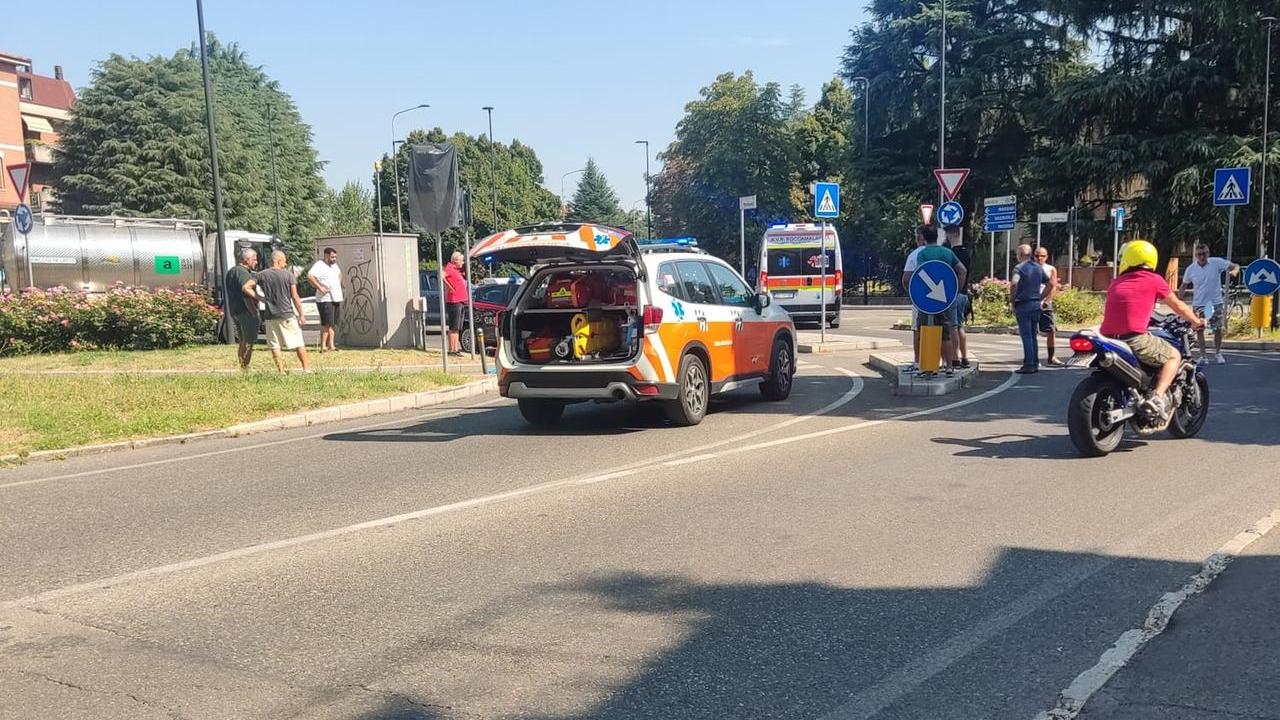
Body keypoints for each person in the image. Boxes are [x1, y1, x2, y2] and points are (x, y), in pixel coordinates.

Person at [1100, 240, 1203, 419]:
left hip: (1109, 339)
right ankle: (1158, 396)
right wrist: (1196, 321)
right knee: (1173, 356)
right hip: (1134, 339)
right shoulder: (1153, 279)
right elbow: (1177, 305)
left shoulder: (1116, 282)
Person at [902, 225, 967, 374]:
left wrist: (915, 295)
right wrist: (955, 291)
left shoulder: (922, 254)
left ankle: (929, 367)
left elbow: (920, 275)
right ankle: (949, 366)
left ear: (924, 238)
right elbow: (962, 270)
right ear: (937, 236)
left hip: (926, 300)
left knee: (925, 330)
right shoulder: (947, 252)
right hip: (945, 299)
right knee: (946, 333)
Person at [1180, 243, 1239, 364]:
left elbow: (1235, 266)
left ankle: (1218, 353)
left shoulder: (1216, 262)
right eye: (1199, 254)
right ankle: (1203, 356)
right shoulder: (1191, 269)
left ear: (1208, 253)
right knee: (1200, 330)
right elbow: (1184, 285)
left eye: (1204, 254)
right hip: (1199, 304)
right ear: (1196, 255)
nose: (1202, 257)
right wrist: (1179, 299)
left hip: (1215, 303)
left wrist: (1234, 271)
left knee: (1217, 329)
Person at [256, 250, 312, 374]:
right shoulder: (288, 275)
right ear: (279, 260)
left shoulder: (261, 275)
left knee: (275, 344)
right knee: (298, 342)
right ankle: (306, 368)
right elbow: (295, 296)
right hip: (286, 314)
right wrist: (301, 314)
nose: (285, 264)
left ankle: (281, 371)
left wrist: (259, 297)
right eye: (284, 261)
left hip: (270, 315)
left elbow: (246, 287)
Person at [1009, 244, 1051, 374]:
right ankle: (1035, 363)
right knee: (1033, 335)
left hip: (1023, 304)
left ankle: (1028, 364)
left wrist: (1012, 299)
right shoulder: (1038, 267)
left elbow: (1014, 283)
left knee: (1026, 335)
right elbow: (1050, 283)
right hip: (1035, 304)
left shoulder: (1019, 268)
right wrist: (1040, 297)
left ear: (1020, 255)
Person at [225, 247, 260, 369]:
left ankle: (242, 366)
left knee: (242, 340)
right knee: (249, 341)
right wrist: (254, 310)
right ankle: (245, 366)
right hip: (246, 311)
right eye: (254, 259)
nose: (256, 262)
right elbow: (246, 293)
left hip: (235, 310)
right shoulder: (243, 273)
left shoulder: (232, 271)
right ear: (246, 260)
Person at [307, 247, 343, 353]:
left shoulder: (334, 265)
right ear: (326, 256)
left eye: (335, 257)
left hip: (335, 297)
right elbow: (310, 276)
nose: (334, 259)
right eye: (332, 257)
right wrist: (320, 287)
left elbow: (339, 273)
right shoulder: (319, 265)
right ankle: (323, 346)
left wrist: (338, 282)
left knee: (333, 323)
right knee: (326, 323)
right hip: (325, 299)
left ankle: (331, 345)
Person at [1034, 246, 1064, 367]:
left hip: (1045, 303)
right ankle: (1033, 358)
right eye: (1037, 256)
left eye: (1042, 256)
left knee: (1051, 330)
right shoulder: (1029, 268)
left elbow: (1053, 285)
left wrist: (1048, 300)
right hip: (1032, 302)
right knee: (1032, 331)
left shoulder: (1050, 269)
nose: (1039, 258)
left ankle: (1051, 357)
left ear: (1046, 257)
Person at [946, 227, 971, 368]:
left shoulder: (951, 254)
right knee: (960, 325)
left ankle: (955, 358)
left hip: (954, 293)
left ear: (951, 234)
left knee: (953, 326)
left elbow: (959, 271)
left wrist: (955, 290)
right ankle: (965, 357)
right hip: (964, 293)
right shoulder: (967, 252)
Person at [442, 250, 468, 356]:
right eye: (461, 260)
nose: (462, 262)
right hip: (454, 301)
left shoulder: (457, 270)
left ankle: (455, 349)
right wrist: (449, 286)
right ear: (455, 260)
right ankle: (451, 350)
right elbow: (442, 275)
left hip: (461, 301)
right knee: (453, 327)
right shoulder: (449, 267)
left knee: (457, 327)